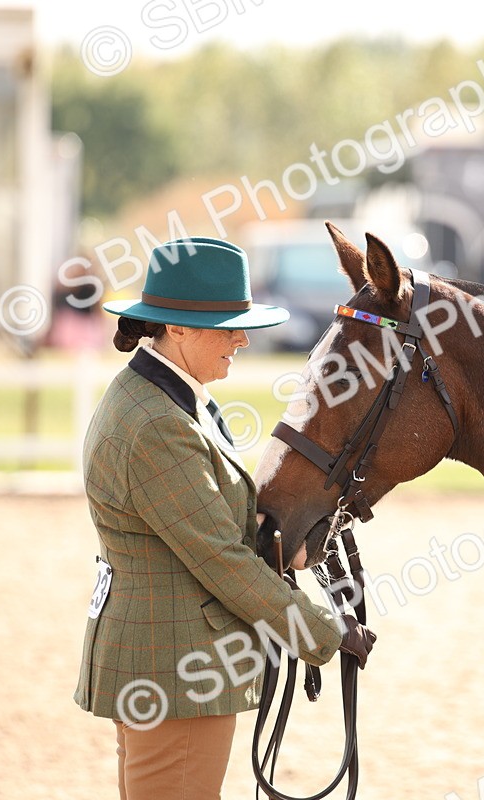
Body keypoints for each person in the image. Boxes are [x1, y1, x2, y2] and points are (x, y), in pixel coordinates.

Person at [74, 237, 377, 800]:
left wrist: (279, 543)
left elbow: (206, 526)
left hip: (165, 664)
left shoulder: (169, 400)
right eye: (227, 325)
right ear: (177, 329)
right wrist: (324, 633)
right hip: (176, 674)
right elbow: (220, 561)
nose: (242, 338)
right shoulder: (156, 425)